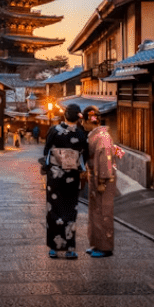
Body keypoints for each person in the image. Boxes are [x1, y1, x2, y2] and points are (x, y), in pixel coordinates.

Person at [42, 104, 89, 259]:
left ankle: (54, 249)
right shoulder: (81, 134)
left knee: (53, 209)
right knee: (70, 209)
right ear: (78, 117)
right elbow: (85, 155)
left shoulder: (54, 131)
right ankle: (70, 249)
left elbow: (46, 150)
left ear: (64, 115)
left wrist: (54, 162)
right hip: (72, 177)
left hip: (55, 177)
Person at [82, 106, 124, 258]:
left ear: (88, 120)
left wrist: (102, 180)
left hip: (103, 179)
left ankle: (105, 247)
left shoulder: (102, 137)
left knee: (104, 212)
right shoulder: (96, 135)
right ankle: (96, 243)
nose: (82, 124)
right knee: (95, 211)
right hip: (95, 176)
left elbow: (105, 159)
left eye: (83, 121)